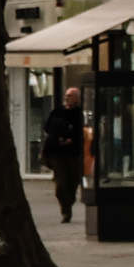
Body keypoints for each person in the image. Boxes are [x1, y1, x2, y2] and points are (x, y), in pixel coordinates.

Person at [40, 85, 86, 223]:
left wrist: (71, 139)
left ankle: (69, 201)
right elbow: (47, 127)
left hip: (73, 153)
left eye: (70, 96)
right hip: (56, 152)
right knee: (61, 184)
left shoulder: (79, 113)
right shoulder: (57, 111)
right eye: (66, 95)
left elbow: (81, 131)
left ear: (77, 98)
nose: (67, 98)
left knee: (73, 181)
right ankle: (65, 211)